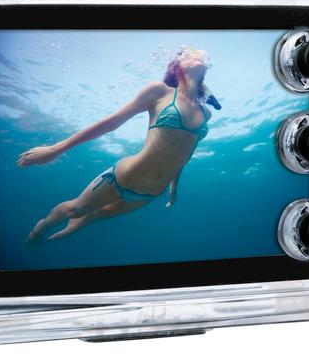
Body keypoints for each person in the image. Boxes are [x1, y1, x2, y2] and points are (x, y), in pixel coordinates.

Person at [18, 47, 214, 240]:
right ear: (177, 66)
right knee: (74, 209)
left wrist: (173, 187)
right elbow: (112, 122)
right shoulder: (159, 92)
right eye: (189, 53)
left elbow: (183, 153)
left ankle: (77, 225)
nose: (196, 55)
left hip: (152, 193)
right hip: (124, 177)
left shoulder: (206, 113)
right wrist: (54, 149)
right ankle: (43, 225)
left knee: (100, 215)